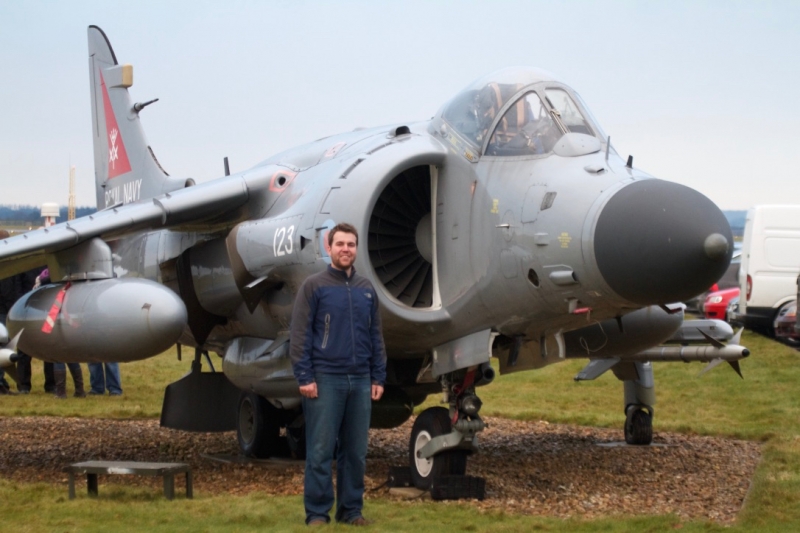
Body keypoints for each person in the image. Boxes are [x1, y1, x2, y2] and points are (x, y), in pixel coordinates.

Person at [290, 222, 387, 527]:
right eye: (340, 244)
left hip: (360, 381)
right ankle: (317, 513)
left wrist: (378, 377)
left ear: (356, 249)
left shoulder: (366, 290)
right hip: (325, 379)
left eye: (351, 245)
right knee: (320, 451)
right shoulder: (314, 287)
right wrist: (304, 376)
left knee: (356, 452)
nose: (346, 249)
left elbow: (376, 336)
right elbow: (300, 335)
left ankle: (351, 511)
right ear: (328, 247)